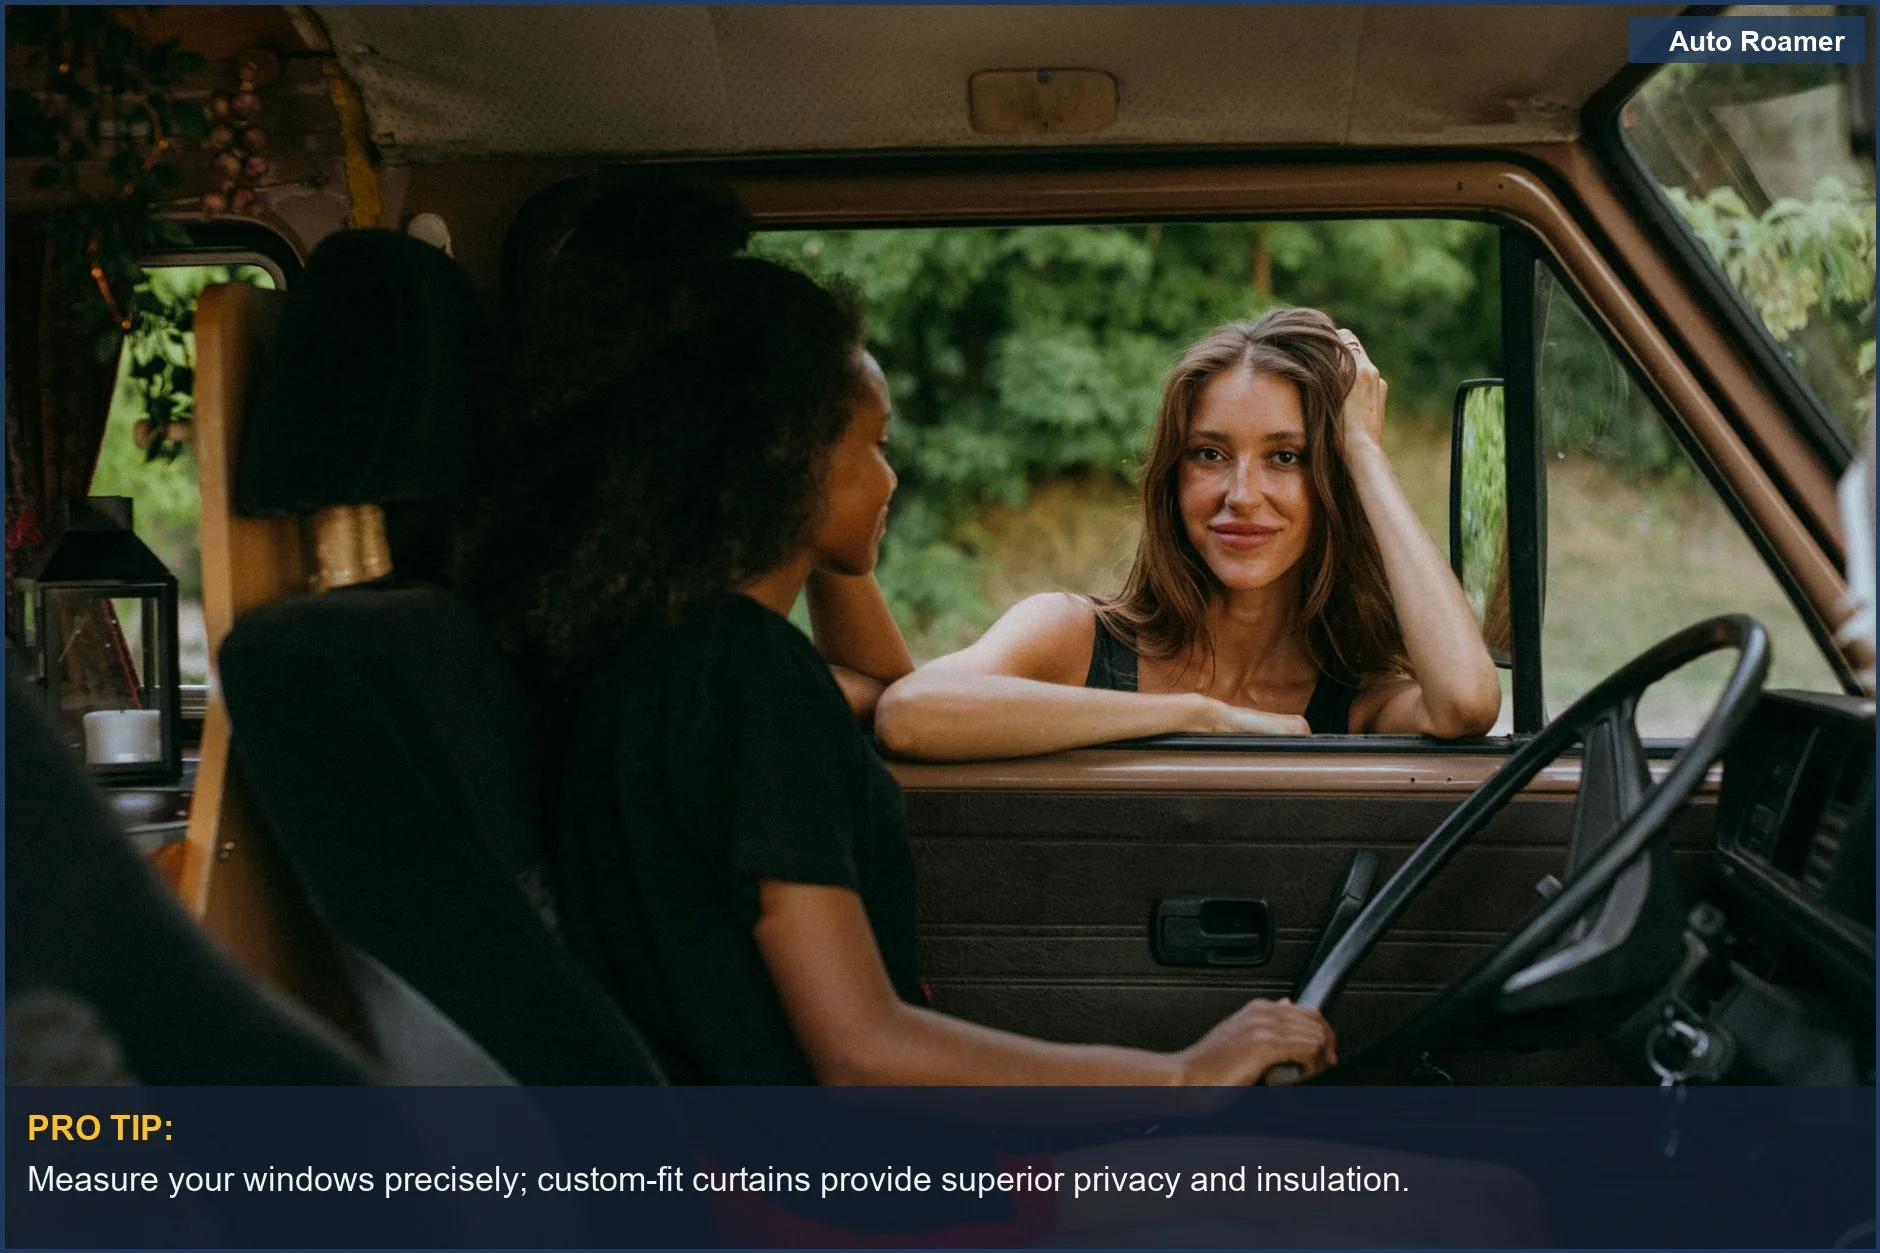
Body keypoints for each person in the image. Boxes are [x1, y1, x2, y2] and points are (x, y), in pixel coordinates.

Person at [456, 184, 1540, 1244]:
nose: (892, 477)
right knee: (1490, 1203)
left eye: (1286, 458)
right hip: (850, 1203)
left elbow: (884, 690)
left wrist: (1358, 447)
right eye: (871, 443)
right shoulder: (740, 679)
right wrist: (1178, 1073)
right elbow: (862, 1050)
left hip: (845, 1175)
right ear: (779, 459)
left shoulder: (693, 661)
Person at [873, 311, 1503, 760]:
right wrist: (1199, 717)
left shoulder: (1358, 704)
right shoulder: (1073, 638)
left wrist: (1363, 451)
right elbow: (911, 713)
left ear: (1332, 484)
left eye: (1286, 457)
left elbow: (1468, 704)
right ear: (1172, 479)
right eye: (1209, 454)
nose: (1241, 494)